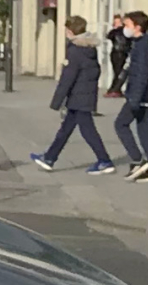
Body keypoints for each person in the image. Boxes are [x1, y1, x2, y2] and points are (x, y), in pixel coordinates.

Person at [31, 16, 117, 174]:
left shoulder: (75, 51)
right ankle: (49, 158)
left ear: (70, 31)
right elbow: (94, 71)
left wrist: (56, 102)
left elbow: (67, 78)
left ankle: (105, 160)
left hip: (78, 97)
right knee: (66, 129)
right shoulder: (89, 49)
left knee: (88, 131)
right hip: (85, 94)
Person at [116, 10, 148, 182]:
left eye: (127, 25)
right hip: (143, 94)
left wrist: (134, 97)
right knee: (144, 126)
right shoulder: (141, 43)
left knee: (120, 124)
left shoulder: (142, 46)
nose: (124, 29)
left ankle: (137, 160)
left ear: (138, 27)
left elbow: (142, 73)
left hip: (139, 94)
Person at [104, 17, 130, 96]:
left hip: (123, 53)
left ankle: (115, 89)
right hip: (116, 53)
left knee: (120, 72)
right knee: (117, 71)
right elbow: (109, 36)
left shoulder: (125, 31)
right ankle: (114, 89)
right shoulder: (115, 31)